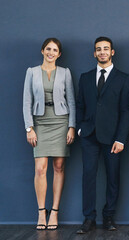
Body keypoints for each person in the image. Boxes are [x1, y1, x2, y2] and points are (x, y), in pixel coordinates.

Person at [76, 36, 129, 234]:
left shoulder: (124, 78)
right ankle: (89, 218)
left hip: (113, 138)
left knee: (113, 177)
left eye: (106, 49)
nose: (102, 52)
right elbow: (80, 105)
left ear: (112, 52)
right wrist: (81, 128)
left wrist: (121, 138)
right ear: (94, 53)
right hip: (89, 135)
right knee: (88, 176)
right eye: (98, 49)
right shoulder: (85, 77)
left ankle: (109, 216)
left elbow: (126, 111)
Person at [23, 38, 76, 230]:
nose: (51, 53)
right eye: (48, 49)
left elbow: (71, 100)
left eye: (55, 50)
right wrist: (29, 128)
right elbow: (26, 101)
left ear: (59, 54)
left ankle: (54, 212)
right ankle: (41, 212)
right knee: (40, 168)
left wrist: (71, 126)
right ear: (42, 51)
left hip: (61, 122)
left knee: (59, 166)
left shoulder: (65, 73)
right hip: (40, 122)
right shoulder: (31, 72)